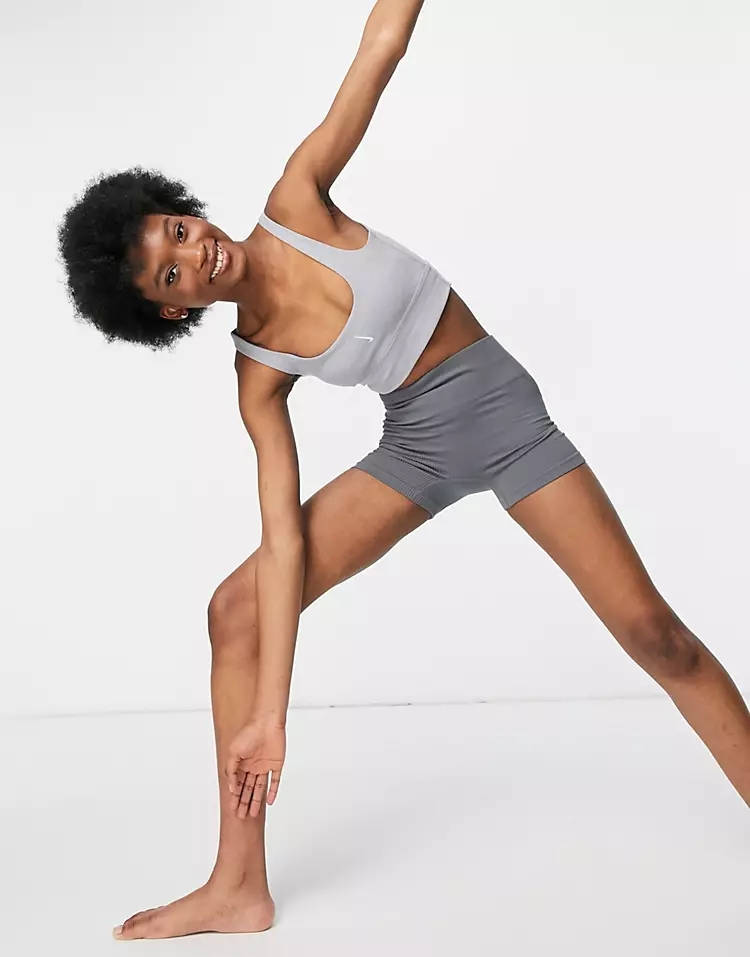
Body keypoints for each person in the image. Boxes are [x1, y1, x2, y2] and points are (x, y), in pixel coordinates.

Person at [57, 0, 749, 942]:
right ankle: (237, 883)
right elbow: (283, 543)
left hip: (503, 416)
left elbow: (378, 50)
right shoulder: (256, 374)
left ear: (185, 211)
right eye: (169, 274)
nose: (192, 251)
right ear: (172, 311)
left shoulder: (298, 200)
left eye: (176, 230)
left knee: (655, 636)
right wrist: (273, 714)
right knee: (236, 610)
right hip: (417, 445)